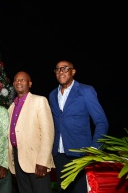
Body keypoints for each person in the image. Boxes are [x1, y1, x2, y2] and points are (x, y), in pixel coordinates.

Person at [49, 60, 109, 193]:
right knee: (62, 189)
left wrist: (94, 149)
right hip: (59, 155)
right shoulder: (52, 95)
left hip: (80, 154)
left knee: (80, 190)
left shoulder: (86, 91)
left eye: (65, 68)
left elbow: (101, 122)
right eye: (58, 69)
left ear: (73, 72)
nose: (61, 72)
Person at [8, 71, 55, 193]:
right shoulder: (11, 107)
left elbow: (48, 133)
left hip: (36, 160)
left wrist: (43, 161)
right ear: (13, 84)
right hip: (18, 158)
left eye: (22, 80)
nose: (19, 82)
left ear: (30, 83)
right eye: (16, 80)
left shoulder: (39, 101)